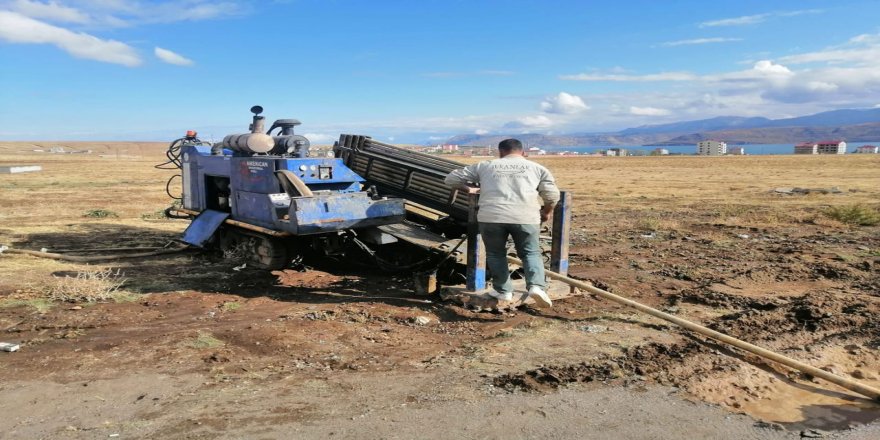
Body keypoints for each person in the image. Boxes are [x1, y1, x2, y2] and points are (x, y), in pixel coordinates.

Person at [444, 138, 560, 307]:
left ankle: (503, 291)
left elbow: (451, 179)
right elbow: (552, 195)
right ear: (523, 152)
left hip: (492, 217)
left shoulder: (485, 166)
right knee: (531, 253)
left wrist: (468, 189)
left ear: (500, 152)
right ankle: (536, 286)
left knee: (495, 253)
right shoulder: (537, 168)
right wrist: (547, 212)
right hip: (525, 217)